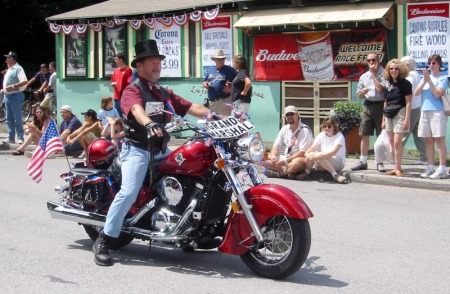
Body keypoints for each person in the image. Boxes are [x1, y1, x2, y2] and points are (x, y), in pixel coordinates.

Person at [93, 39, 218, 266]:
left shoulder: (163, 92)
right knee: (129, 191)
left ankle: (192, 231)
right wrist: (148, 123)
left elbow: (190, 106)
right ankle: (105, 239)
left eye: (158, 62)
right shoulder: (132, 90)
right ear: (139, 66)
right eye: (151, 63)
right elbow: (136, 109)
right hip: (137, 150)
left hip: (159, 150)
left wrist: (214, 116)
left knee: (195, 175)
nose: (156, 66)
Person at [414, 54, 448, 179]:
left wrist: (429, 81)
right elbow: (416, 93)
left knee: (439, 140)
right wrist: (424, 81)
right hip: (425, 110)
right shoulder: (425, 78)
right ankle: (430, 167)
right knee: (428, 141)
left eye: (434, 63)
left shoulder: (443, 78)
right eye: (429, 63)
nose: (431, 65)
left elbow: (437, 94)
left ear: (439, 65)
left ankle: (442, 168)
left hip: (437, 112)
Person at [351, 52, 385, 171]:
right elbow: (359, 95)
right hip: (368, 105)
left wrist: (374, 75)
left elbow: (380, 89)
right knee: (364, 134)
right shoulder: (364, 76)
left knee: (381, 136)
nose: (371, 63)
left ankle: (379, 162)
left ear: (378, 61)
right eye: (369, 61)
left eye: (373, 60)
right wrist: (363, 92)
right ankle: (363, 161)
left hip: (380, 105)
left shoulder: (384, 73)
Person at [263, 105, 314, 179]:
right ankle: (290, 172)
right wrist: (274, 156)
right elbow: (276, 147)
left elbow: (303, 153)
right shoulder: (284, 129)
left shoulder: (304, 130)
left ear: (297, 115)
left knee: (297, 162)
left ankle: (279, 174)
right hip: (286, 158)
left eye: (291, 114)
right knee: (263, 159)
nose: (289, 116)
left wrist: (286, 161)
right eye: (287, 115)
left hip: (299, 159)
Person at [381, 59, 412, 177]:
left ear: (400, 70)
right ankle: (395, 167)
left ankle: (398, 168)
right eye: (391, 68)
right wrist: (383, 119)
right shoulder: (388, 83)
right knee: (390, 141)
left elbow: (409, 102)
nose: (394, 71)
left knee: (397, 141)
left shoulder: (406, 84)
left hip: (400, 112)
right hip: (388, 113)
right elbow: (385, 102)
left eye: (396, 68)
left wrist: (407, 119)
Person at [295, 117, 348, 184]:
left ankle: (335, 175)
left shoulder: (339, 136)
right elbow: (309, 151)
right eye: (325, 126)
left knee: (319, 155)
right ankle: (307, 172)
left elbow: (333, 152)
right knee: (313, 154)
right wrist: (309, 156)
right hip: (322, 162)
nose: (326, 128)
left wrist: (317, 156)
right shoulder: (321, 135)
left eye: (329, 126)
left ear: (334, 127)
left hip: (338, 161)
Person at [400, 56, 426, 164]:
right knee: (417, 133)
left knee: (403, 133)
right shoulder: (416, 75)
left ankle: (395, 155)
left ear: (407, 65)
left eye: (401, 65)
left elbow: (406, 92)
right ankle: (425, 157)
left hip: (411, 107)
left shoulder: (410, 76)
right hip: (417, 106)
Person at [2, 51, 28, 145]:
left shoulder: (18, 68)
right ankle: (11, 137)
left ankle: (20, 137)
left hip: (15, 95)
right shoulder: (9, 69)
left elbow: (24, 81)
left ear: (12, 59)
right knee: (9, 118)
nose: (6, 60)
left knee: (17, 117)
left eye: (8, 58)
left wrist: (12, 86)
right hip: (8, 95)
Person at [202, 49, 237, 116]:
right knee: (212, 122)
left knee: (225, 122)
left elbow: (240, 82)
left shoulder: (230, 70)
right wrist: (205, 85)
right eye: (219, 59)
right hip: (212, 102)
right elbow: (204, 82)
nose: (221, 61)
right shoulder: (210, 71)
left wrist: (232, 89)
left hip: (224, 100)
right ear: (214, 60)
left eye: (222, 59)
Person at [110, 53, 132, 117]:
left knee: (125, 114)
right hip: (117, 96)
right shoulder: (116, 70)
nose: (115, 61)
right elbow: (112, 81)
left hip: (125, 96)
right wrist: (112, 84)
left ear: (121, 59)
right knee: (118, 115)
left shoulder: (128, 69)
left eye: (116, 59)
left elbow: (130, 82)